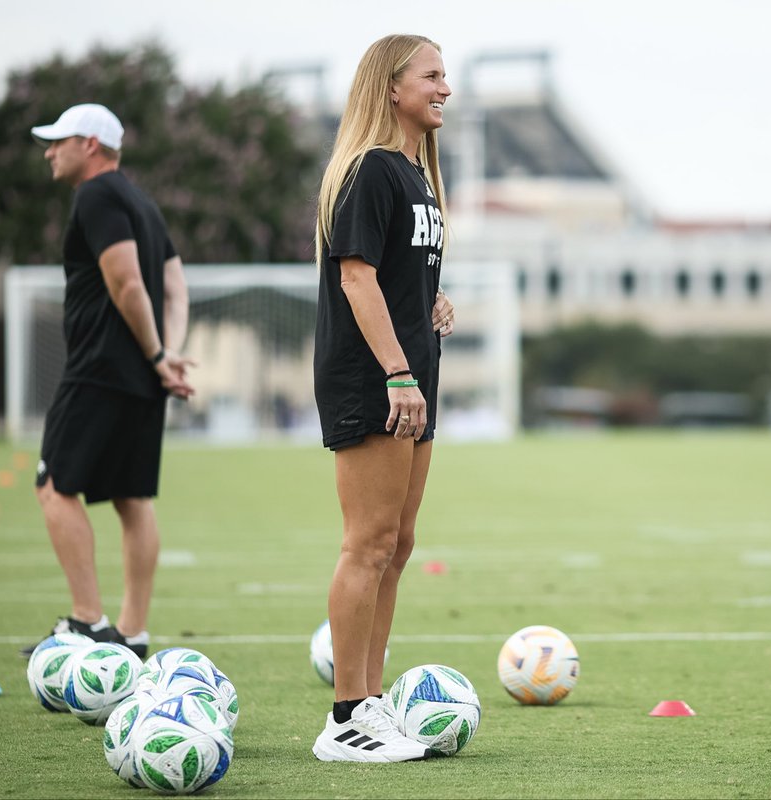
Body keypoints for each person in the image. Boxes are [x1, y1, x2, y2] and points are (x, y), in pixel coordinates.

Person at [310, 34, 457, 762]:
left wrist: (433, 301)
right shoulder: (370, 168)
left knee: (398, 546)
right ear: (391, 87)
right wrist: (399, 372)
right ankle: (344, 718)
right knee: (367, 544)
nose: (445, 88)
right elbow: (356, 279)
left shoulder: (416, 173)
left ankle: (371, 700)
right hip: (376, 379)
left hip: (413, 376)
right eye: (433, 75)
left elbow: (395, 275)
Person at [19, 103, 195, 660]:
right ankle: (133, 633)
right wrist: (168, 355)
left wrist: (157, 351)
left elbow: (125, 282)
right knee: (132, 498)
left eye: (59, 140)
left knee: (53, 487)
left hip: (100, 371)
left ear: (90, 144)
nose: (50, 150)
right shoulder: (142, 202)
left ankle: (88, 623)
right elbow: (174, 287)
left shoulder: (96, 195)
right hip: (143, 378)